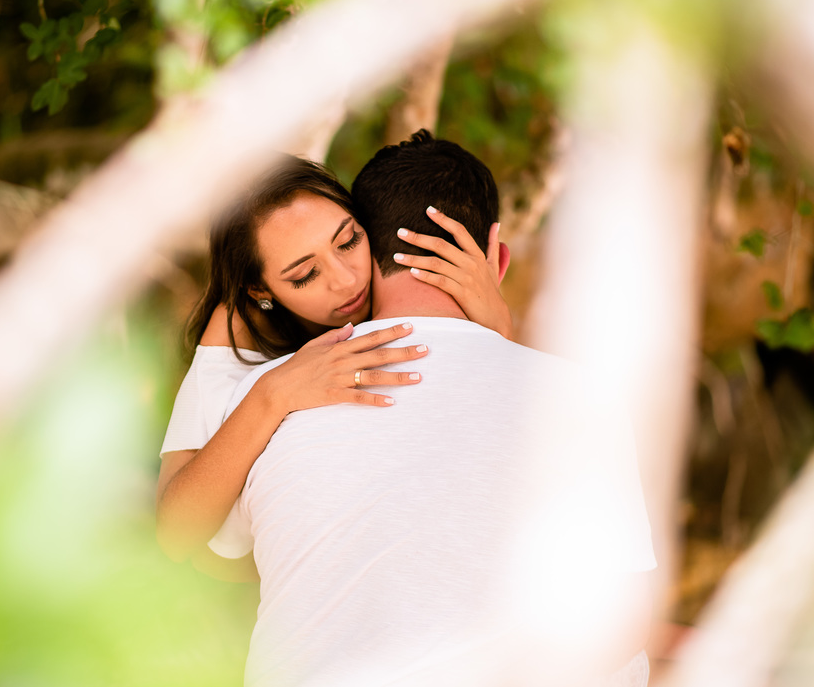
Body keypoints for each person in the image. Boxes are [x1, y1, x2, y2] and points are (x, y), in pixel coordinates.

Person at [208, 130, 657, 686]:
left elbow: (206, 547)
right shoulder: (576, 394)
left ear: (367, 250)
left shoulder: (271, 391)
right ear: (498, 257)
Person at [155, 155, 513, 577]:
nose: (346, 279)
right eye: (305, 275)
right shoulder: (238, 332)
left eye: (348, 241)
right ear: (260, 291)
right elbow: (176, 535)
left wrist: (496, 331)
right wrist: (273, 393)